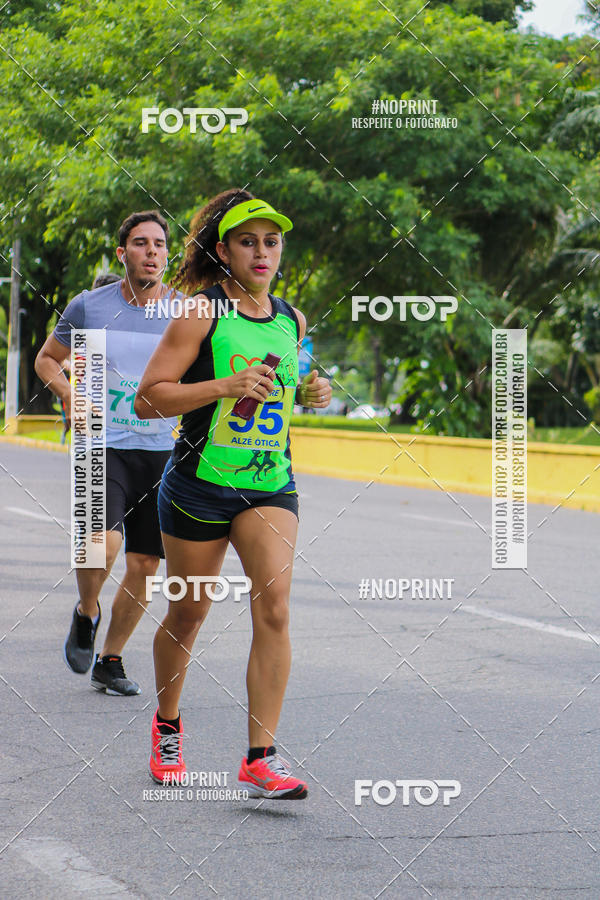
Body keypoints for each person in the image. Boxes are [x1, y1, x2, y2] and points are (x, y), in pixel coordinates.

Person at [135, 189, 331, 797]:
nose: (263, 252)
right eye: (248, 241)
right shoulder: (201, 314)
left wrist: (316, 390)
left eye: (272, 242)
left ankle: (259, 758)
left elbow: (297, 378)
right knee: (189, 614)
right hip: (198, 486)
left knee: (273, 608)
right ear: (224, 251)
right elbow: (149, 398)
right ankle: (167, 727)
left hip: (270, 485)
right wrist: (223, 385)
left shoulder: (291, 318)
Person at [35, 211, 179, 695]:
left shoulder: (185, 313)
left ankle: (110, 660)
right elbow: (46, 359)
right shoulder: (89, 307)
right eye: (141, 244)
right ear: (124, 254)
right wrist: (68, 392)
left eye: (159, 244)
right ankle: (87, 610)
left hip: (161, 450)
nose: (152, 252)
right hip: (102, 443)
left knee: (145, 564)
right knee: (103, 543)